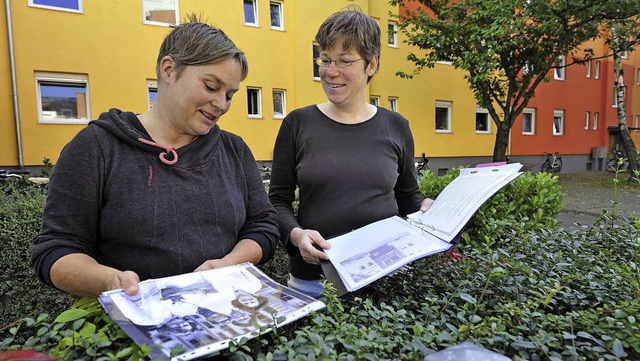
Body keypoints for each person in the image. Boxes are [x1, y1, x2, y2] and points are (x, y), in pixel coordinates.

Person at [31, 15, 279, 298]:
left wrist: (228, 264)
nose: (222, 104)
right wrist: (110, 281)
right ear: (169, 69)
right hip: (130, 329)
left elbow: (263, 226)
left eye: (230, 94)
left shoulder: (234, 150)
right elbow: (56, 251)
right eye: (211, 87)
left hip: (225, 319)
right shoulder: (96, 147)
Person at [268, 7, 432, 298]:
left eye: (344, 61)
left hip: (386, 283)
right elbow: (278, 202)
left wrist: (426, 211)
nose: (331, 72)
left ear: (371, 65)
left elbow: (408, 196)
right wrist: (296, 235)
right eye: (325, 60)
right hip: (315, 285)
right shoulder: (297, 123)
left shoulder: (397, 127)